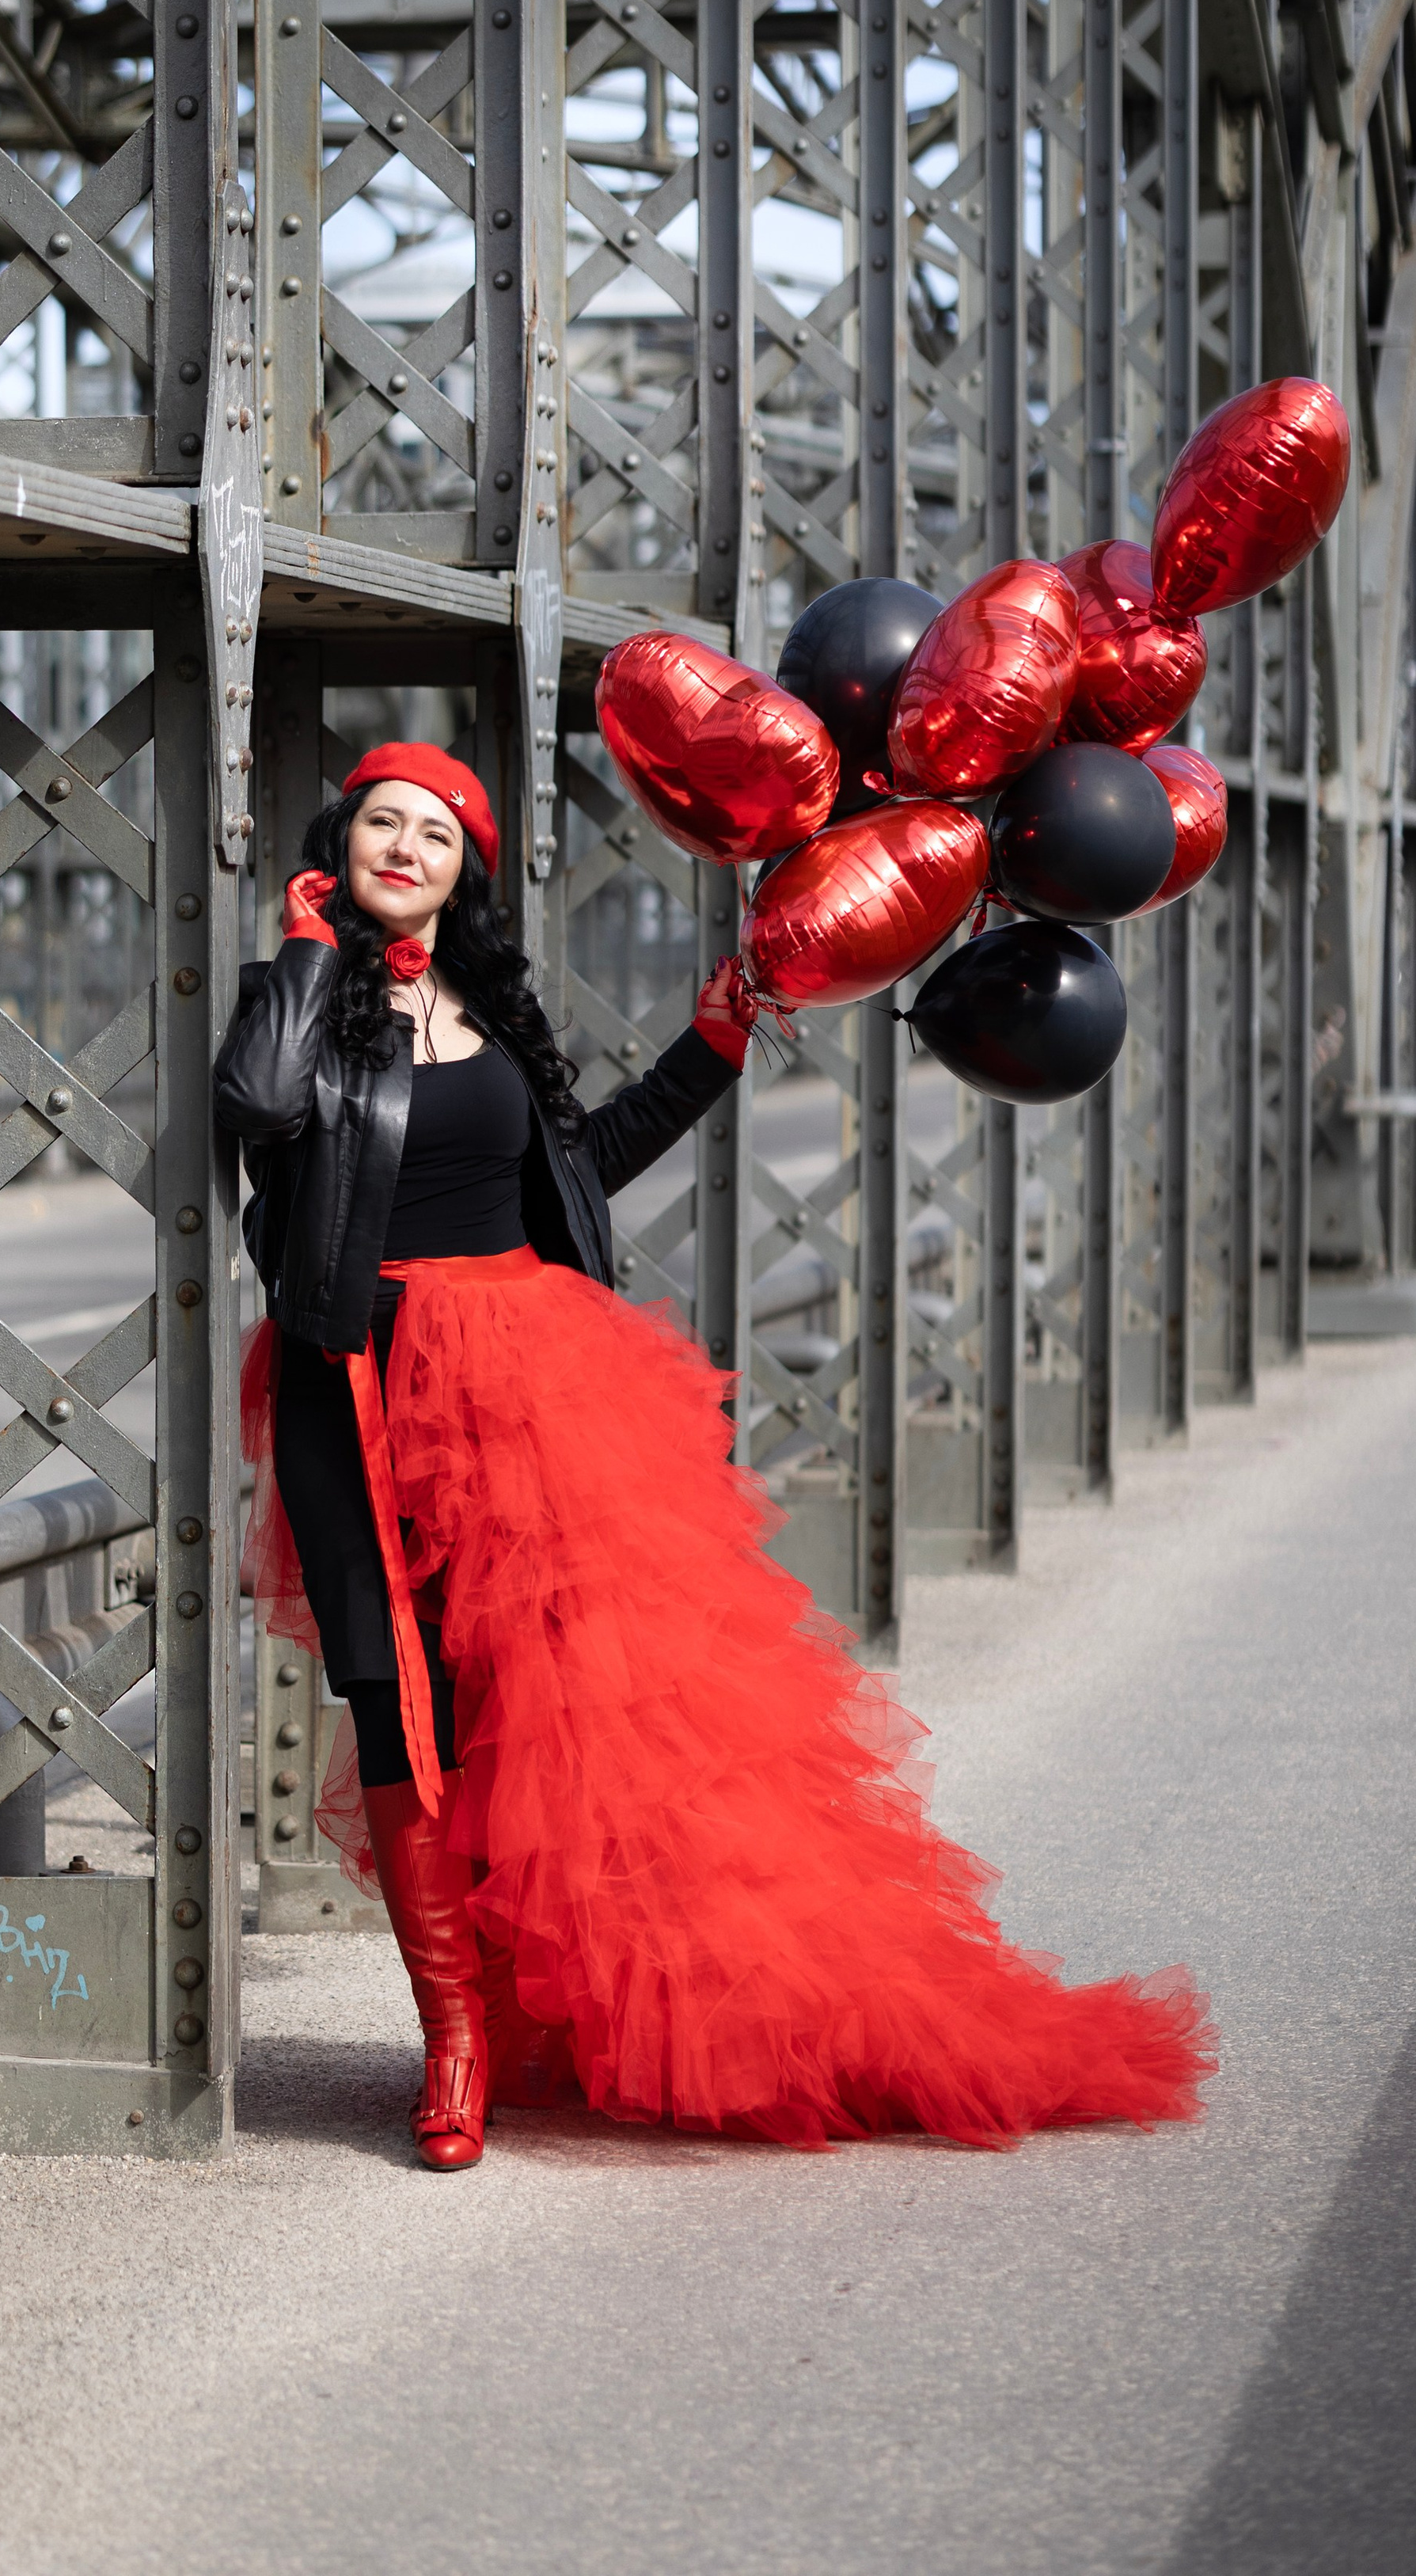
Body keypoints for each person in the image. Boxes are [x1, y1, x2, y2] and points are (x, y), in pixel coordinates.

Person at [215, 741, 1213, 2170]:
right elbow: (252, 1109)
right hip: (355, 1389)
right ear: (342, 844)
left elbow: (583, 1161)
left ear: (465, 873)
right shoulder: (297, 1005)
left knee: (551, 1707)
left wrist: (721, 1035)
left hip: (528, 1389)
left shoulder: (487, 1012)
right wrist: (309, 954)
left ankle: (559, 2003)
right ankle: (455, 2042)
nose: (405, 848)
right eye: (382, 823)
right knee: (394, 1702)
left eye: (436, 833)